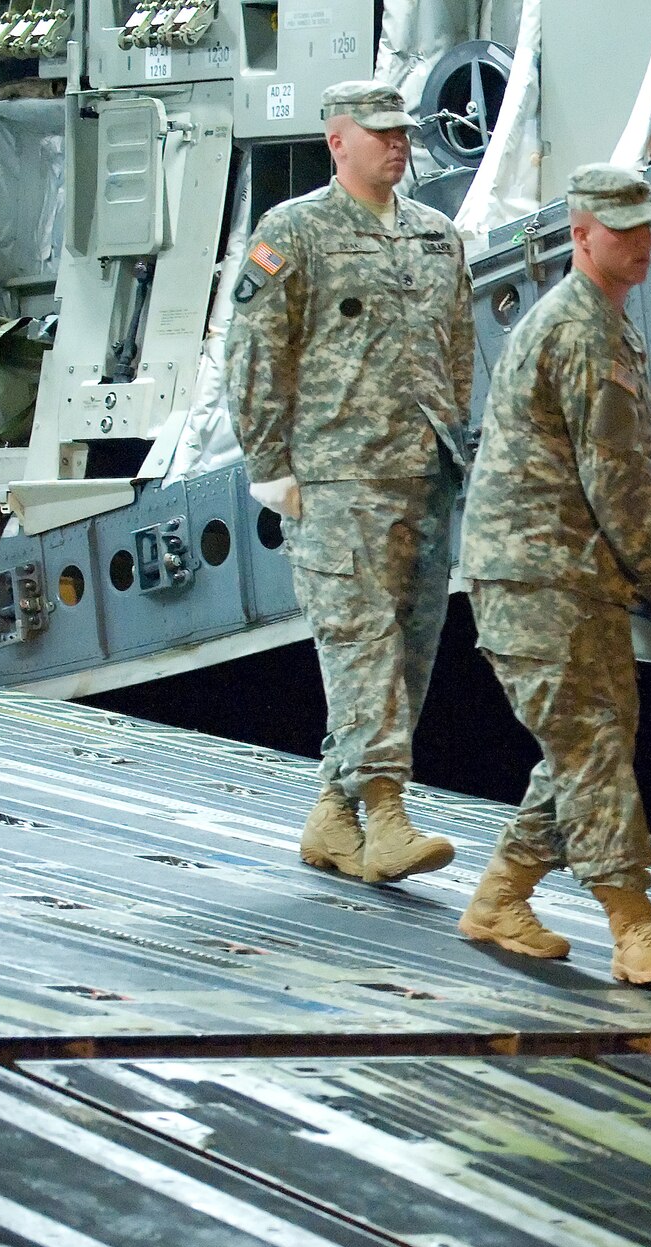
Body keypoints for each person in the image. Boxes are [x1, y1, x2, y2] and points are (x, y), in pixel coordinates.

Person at [453, 165, 651, 986]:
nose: (639, 246)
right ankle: (632, 925)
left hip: (569, 573)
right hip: (538, 573)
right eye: (621, 232)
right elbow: (618, 481)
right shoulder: (584, 331)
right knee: (594, 746)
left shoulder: (605, 321)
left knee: (587, 745)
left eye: (646, 230)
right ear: (580, 234)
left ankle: (502, 894)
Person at [226, 80, 474, 886]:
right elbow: (256, 354)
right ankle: (388, 816)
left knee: (411, 650)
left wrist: (448, 437)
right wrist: (270, 468)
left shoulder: (438, 236)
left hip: (423, 475)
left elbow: (458, 347)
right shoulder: (292, 232)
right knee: (360, 645)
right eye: (380, 133)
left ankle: (334, 816)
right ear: (339, 141)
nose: (398, 144)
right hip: (337, 480)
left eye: (403, 132)